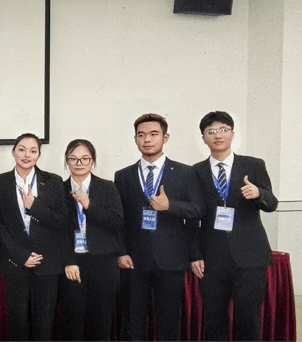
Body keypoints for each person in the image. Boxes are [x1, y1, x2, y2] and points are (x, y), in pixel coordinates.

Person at [190, 111, 278, 342]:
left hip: (250, 257)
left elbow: (272, 203)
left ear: (232, 134)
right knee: (212, 321)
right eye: (211, 131)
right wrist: (195, 254)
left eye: (223, 130)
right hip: (212, 258)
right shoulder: (195, 172)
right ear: (204, 138)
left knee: (248, 320)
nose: (218, 135)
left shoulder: (253, 165)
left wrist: (258, 193)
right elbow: (192, 217)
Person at [114, 114, 202, 342]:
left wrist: (170, 206)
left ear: (165, 137)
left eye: (154, 134)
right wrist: (121, 252)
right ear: (135, 139)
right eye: (141, 135)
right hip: (134, 260)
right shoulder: (123, 176)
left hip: (171, 259)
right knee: (133, 322)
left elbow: (197, 211)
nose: (147, 140)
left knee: (169, 323)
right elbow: (118, 220)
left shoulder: (185, 173)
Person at [0, 133, 68, 342]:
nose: (27, 155)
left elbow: (63, 221)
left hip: (47, 264)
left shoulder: (53, 181)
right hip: (15, 264)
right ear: (13, 152)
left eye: (33, 151)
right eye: (22, 149)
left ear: (39, 155)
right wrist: (20, 255)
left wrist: (35, 207)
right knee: (18, 323)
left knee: (45, 323)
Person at [61, 139, 123, 342]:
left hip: (103, 261)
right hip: (72, 262)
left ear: (93, 161)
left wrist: (88, 205)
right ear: (67, 161)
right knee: (73, 320)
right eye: (73, 158)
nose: (79, 163)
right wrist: (69, 259)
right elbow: (55, 231)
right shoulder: (58, 189)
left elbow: (117, 222)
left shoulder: (107, 187)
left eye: (85, 158)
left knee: (102, 319)